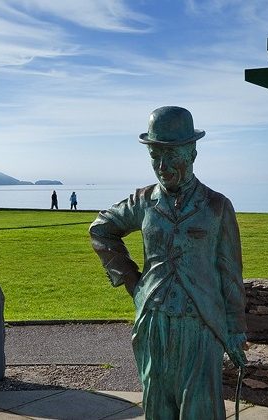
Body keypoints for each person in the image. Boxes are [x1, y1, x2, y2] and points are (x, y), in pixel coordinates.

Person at [89, 106, 247, 419]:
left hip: (200, 325)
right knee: (157, 407)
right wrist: (135, 284)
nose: (162, 166)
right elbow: (101, 230)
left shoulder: (217, 207)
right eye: (155, 155)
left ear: (193, 153)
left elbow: (230, 274)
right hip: (153, 324)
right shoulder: (143, 201)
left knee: (200, 410)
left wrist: (235, 330)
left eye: (171, 155)